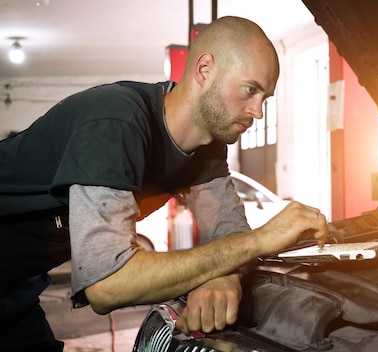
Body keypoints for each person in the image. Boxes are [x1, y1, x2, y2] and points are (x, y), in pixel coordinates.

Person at [0, 16, 328, 351]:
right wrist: (261, 239)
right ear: (204, 70)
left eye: (265, 98)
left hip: (16, 284)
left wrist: (223, 278)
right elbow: (108, 283)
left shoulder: (206, 147)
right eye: (250, 90)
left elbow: (229, 233)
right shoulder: (115, 122)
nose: (258, 111)